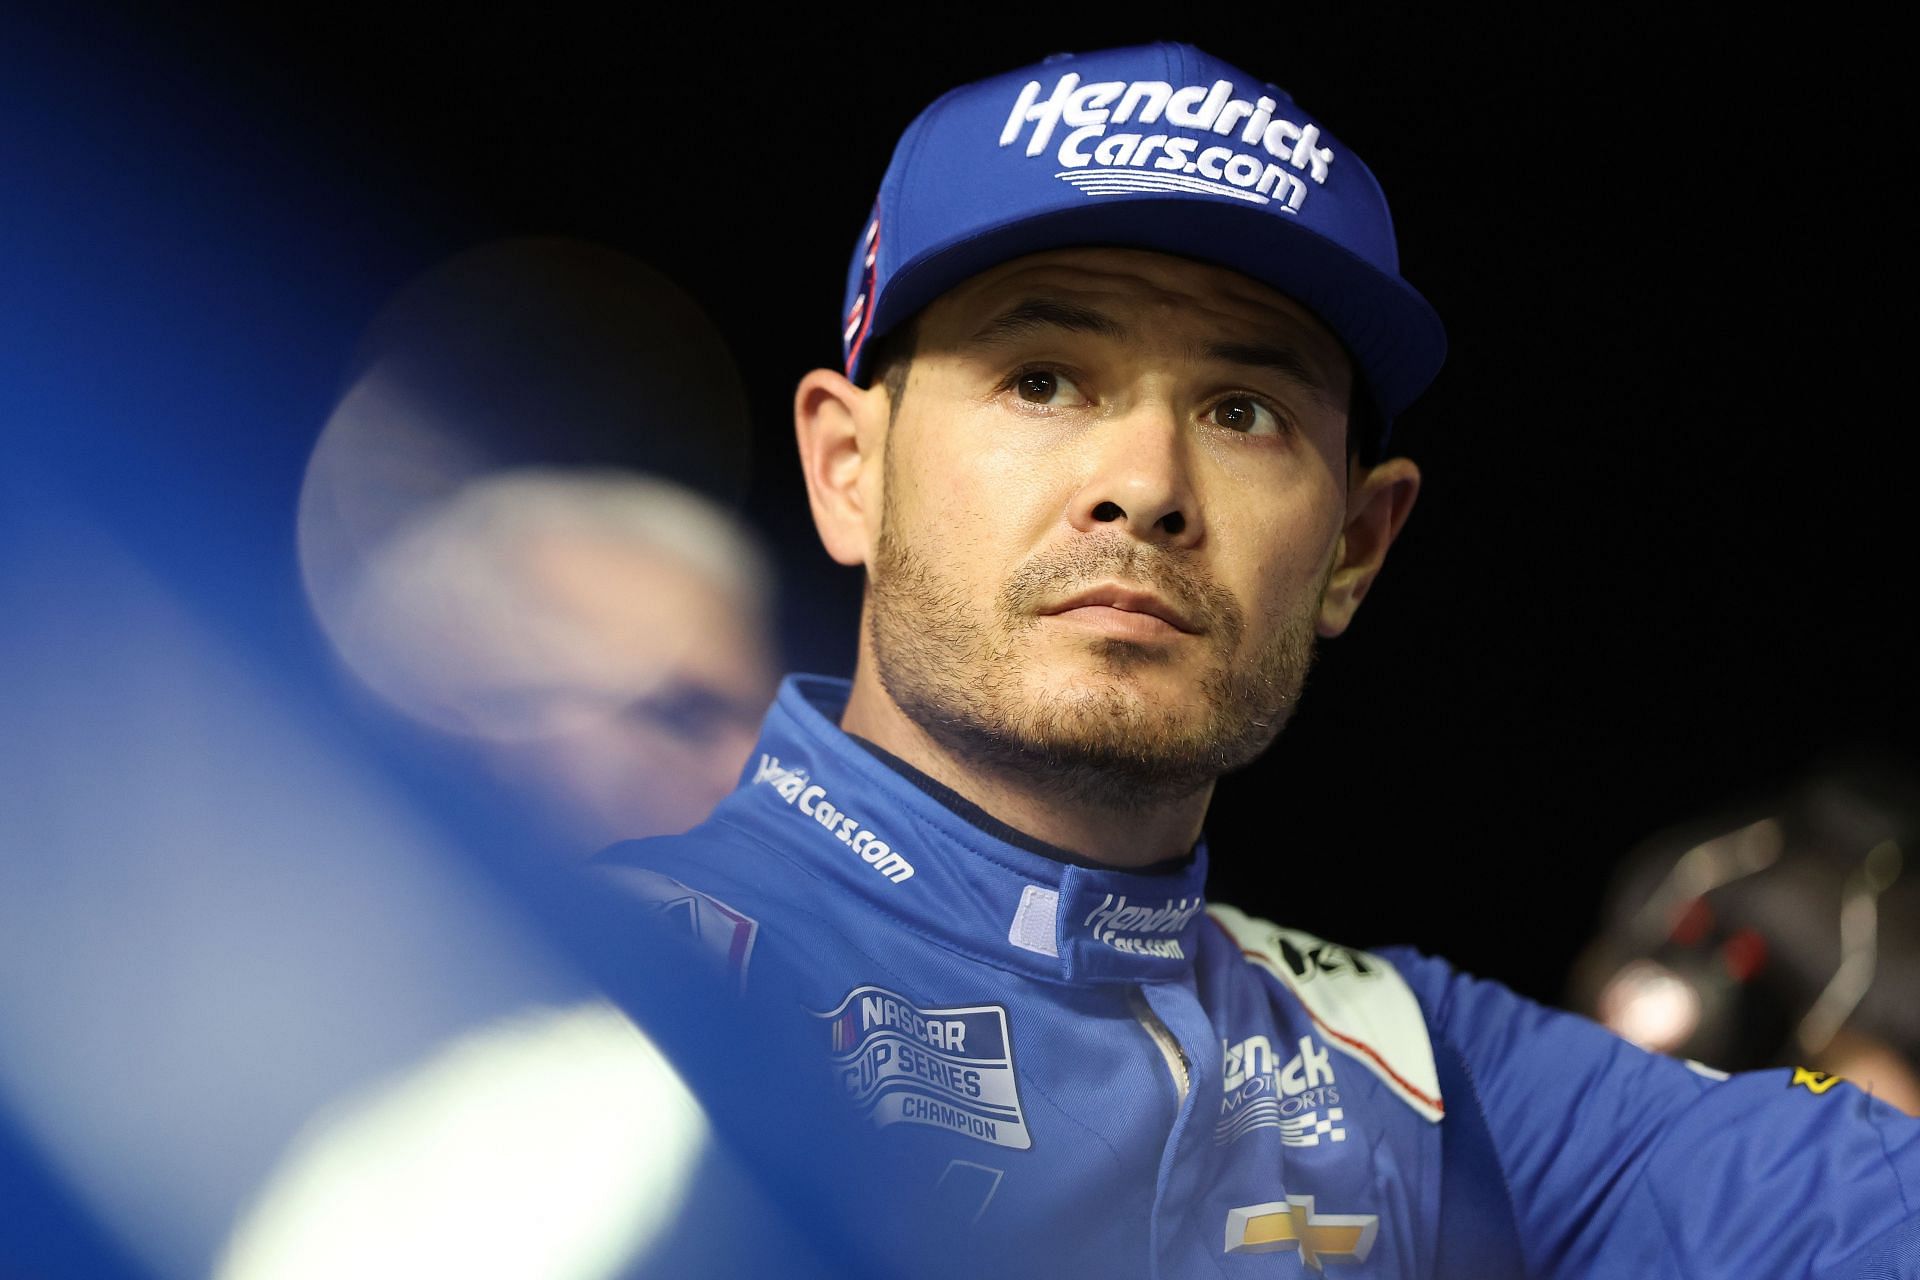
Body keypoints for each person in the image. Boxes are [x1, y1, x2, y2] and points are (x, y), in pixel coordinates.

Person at [597, 42, 1920, 1279]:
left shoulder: (1423, 1077)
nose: (1144, 486)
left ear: (1356, 544)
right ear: (849, 471)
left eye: (1244, 410)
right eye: (1043, 378)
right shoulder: (594, 981)